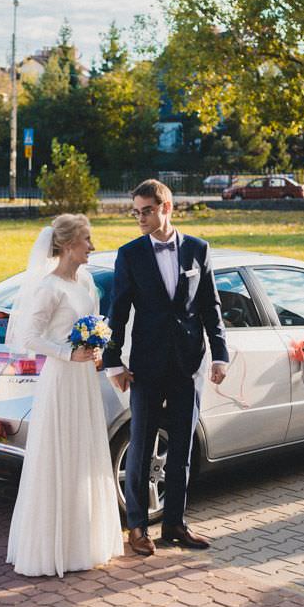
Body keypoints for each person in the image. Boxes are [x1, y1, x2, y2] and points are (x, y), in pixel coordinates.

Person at [103, 179, 230, 556]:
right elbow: (117, 312)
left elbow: (211, 307)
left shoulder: (198, 249)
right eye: (136, 212)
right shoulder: (130, 254)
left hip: (188, 364)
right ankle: (138, 526)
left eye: (147, 211)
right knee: (141, 446)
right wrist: (113, 362)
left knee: (182, 446)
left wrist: (219, 355)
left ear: (166, 208)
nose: (140, 218)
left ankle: (175, 523)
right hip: (146, 365)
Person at [4, 214, 123, 576]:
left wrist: (97, 348)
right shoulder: (49, 287)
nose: (92, 246)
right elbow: (29, 337)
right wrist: (67, 353)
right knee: (60, 452)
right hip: (61, 379)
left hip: (84, 379)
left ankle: (83, 542)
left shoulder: (85, 280)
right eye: (87, 240)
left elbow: (95, 323)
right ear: (69, 245)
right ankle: (54, 547)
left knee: (84, 452)